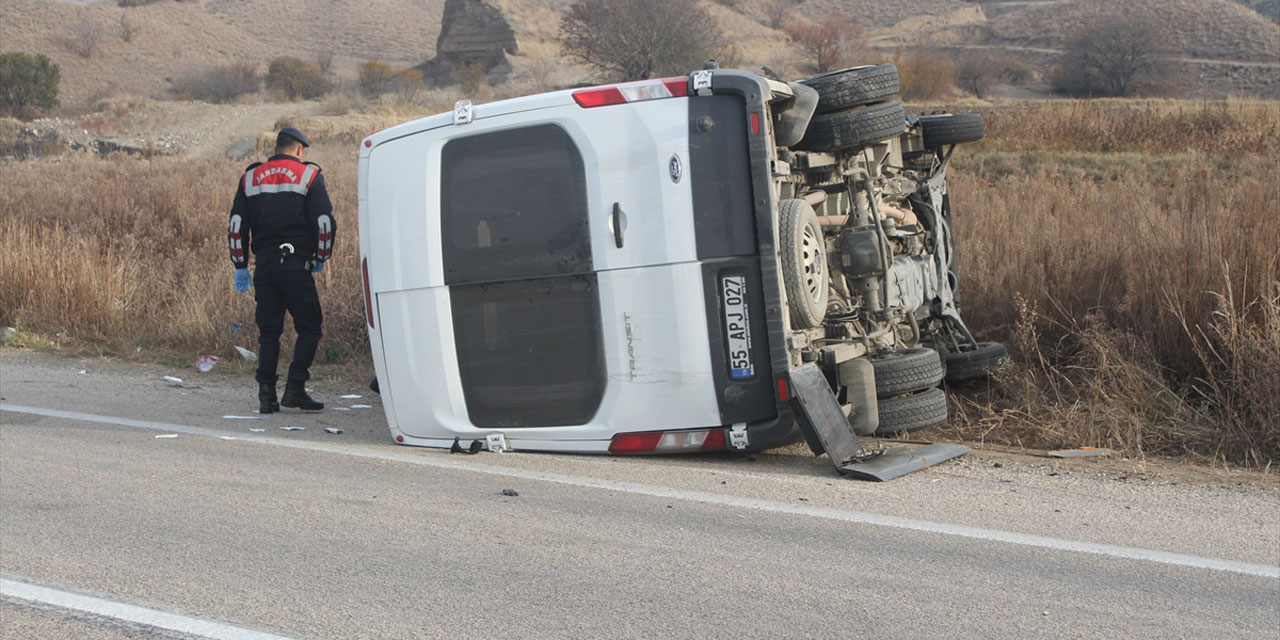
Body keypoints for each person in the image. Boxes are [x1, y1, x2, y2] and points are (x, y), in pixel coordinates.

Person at [227, 127, 335, 413]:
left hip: (264, 267)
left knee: (269, 333)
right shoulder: (309, 176)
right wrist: (321, 257)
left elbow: (236, 226)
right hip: (296, 265)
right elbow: (324, 222)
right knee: (310, 327)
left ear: (277, 147)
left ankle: (266, 395)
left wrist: (240, 266)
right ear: (299, 149)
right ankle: (295, 388)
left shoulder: (250, 177)